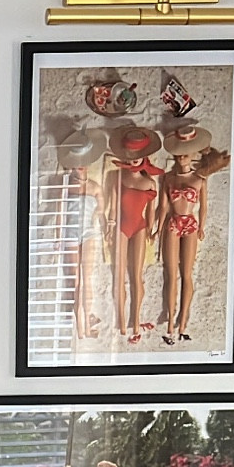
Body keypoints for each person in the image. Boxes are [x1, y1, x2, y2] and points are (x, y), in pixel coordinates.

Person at [105, 126, 165, 344]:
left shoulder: (149, 183)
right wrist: (111, 226)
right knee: (118, 275)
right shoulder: (118, 178)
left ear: (144, 158)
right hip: (121, 226)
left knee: (136, 275)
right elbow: (113, 206)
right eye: (129, 158)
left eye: (136, 158)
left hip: (139, 227)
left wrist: (151, 229)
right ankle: (121, 320)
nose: (132, 163)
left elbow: (151, 210)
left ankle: (136, 319)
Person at [159, 124, 214, 345]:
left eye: (186, 153)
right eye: (178, 154)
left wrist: (201, 226)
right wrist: (157, 227)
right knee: (171, 274)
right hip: (173, 223)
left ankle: (183, 323)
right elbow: (163, 207)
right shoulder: (168, 179)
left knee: (187, 274)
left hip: (190, 224)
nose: (182, 157)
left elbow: (203, 206)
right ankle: (171, 323)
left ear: (192, 154)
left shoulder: (199, 179)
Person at [54, 130, 107, 343]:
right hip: (70, 234)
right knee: (75, 279)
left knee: (87, 277)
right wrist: (58, 237)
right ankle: (81, 325)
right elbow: (58, 214)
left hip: (89, 232)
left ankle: (86, 317)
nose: (81, 167)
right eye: (77, 163)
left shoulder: (94, 187)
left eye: (84, 162)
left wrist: (104, 222)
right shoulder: (66, 188)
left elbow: (101, 211)